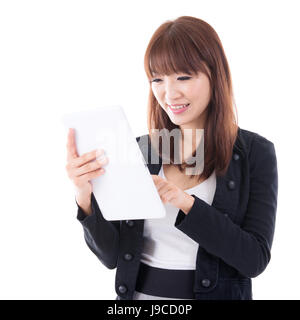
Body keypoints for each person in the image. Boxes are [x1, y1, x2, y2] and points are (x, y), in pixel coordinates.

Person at [65, 16, 278, 300]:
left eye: (184, 77)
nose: (169, 93)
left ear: (215, 75)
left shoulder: (254, 152)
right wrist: (85, 196)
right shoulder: (140, 149)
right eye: (157, 79)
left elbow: (253, 259)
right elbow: (112, 257)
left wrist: (186, 202)